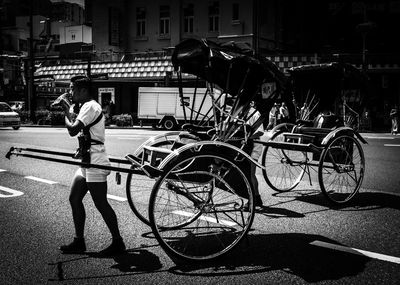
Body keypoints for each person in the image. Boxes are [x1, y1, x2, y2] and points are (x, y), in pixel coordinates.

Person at [56, 76, 126, 256]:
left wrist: (65, 109)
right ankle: (79, 241)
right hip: (87, 159)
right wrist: (70, 111)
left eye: (73, 89)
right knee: (74, 198)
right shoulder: (85, 107)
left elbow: (72, 129)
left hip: (96, 160)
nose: (70, 93)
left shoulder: (90, 106)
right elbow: (76, 123)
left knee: (101, 203)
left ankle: (118, 242)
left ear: (83, 90)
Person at [246, 101, 264, 207]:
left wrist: (248, 138)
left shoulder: (254, 113)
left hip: (254, 146)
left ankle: (253, 199)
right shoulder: (239, 113)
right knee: (246, 173)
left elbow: (260, 131)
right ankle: (257, 198)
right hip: (244, 146)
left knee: (250, 173)